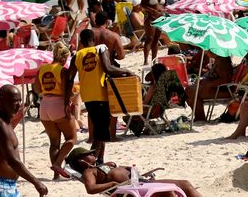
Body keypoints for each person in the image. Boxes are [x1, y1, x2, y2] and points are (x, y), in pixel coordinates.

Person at [62, 29, 132, 162]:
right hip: (101, 95)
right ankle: (89, 160)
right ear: (94, 40)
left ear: (81, 42)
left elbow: (69, 78)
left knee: (100, 129)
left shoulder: (77, 55)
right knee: (100, 132)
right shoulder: (100, 49)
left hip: (87, 96)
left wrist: (66, 100)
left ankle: (100, 160)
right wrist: (126, 71)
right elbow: (108, 68)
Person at [0, 85, 48, 197]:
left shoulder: (6, 124)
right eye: (14, 101)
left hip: (6, 186)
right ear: (2, 100)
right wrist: (36, 182)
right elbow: (12, 160)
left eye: (20, 100)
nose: (18, 105)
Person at [65, 146, 201, 196]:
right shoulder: (89, 172)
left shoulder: (103, 166)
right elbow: (91, 188)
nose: (94, 154)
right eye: (89, 154)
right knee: (168, 192)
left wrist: (137, 172)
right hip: (131, 189)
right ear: (81, 160)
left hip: (141, 182)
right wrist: (112, 184)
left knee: (185, 184)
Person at [36, 43, 78, 179]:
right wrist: (67, 105)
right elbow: (67, 90)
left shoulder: (42, 69)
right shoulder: (62, 70)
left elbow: (37, 89)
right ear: (64, 57)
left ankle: (56, 175)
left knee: (54, 142)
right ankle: (58, 164)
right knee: (71, 139)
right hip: (58, 104)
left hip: (44, 106)